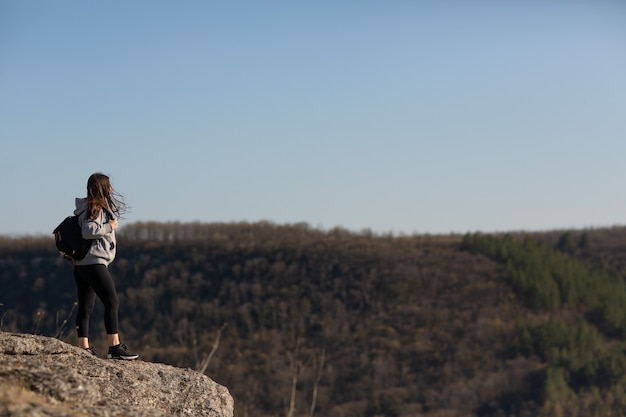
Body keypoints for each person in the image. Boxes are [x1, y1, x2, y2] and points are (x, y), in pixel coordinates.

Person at [73, 173, 138, 360]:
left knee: (86, 306)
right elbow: (88, 231)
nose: (111, 189)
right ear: (102, 188)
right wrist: (110, 226)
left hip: (82, 265)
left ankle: (83, 348)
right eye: (108, 186)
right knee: (112, 302)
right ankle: (114, 347)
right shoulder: (95, 207)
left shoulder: (84, 207)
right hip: (94, 263)